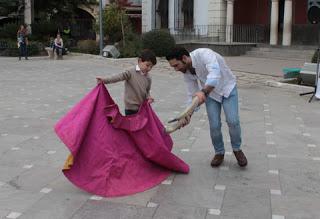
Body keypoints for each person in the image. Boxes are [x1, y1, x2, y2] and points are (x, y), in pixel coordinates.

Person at [166, 47, 247, 167]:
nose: (176, 69)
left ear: (184, 58)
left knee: (233, 121)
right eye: (173, 67)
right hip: (211, 95)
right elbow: (192, 95)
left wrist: (203, 92)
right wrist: (187, 115)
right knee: (214, 125)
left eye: (176, 65)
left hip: (228, 89)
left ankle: (237, 149)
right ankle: (219, 152)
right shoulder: (187, 72)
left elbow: (215, 75)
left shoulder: (205, 54)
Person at [96, 49, 157, 116]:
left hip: (143, 108)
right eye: (147, 65)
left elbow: (147, 91)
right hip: (130, 108)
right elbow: (118, 77)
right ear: (139, 61)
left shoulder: (148, 78)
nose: (149, 68)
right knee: (131, 125)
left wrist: (149, 98)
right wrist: (105, 80)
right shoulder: (130, 72)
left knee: (141, 126)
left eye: (151, 67)